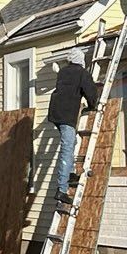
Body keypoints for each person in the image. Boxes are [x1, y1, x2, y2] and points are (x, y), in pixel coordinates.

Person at [48, 46, 99, 211]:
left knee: (70, 143)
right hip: (66, 115)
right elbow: (90, 91)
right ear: (81, 61)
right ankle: (61, 190)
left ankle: (69, 173)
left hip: (55, 113)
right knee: (67, 148)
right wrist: (93, 105)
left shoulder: (63, 72)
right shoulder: (82, 73)